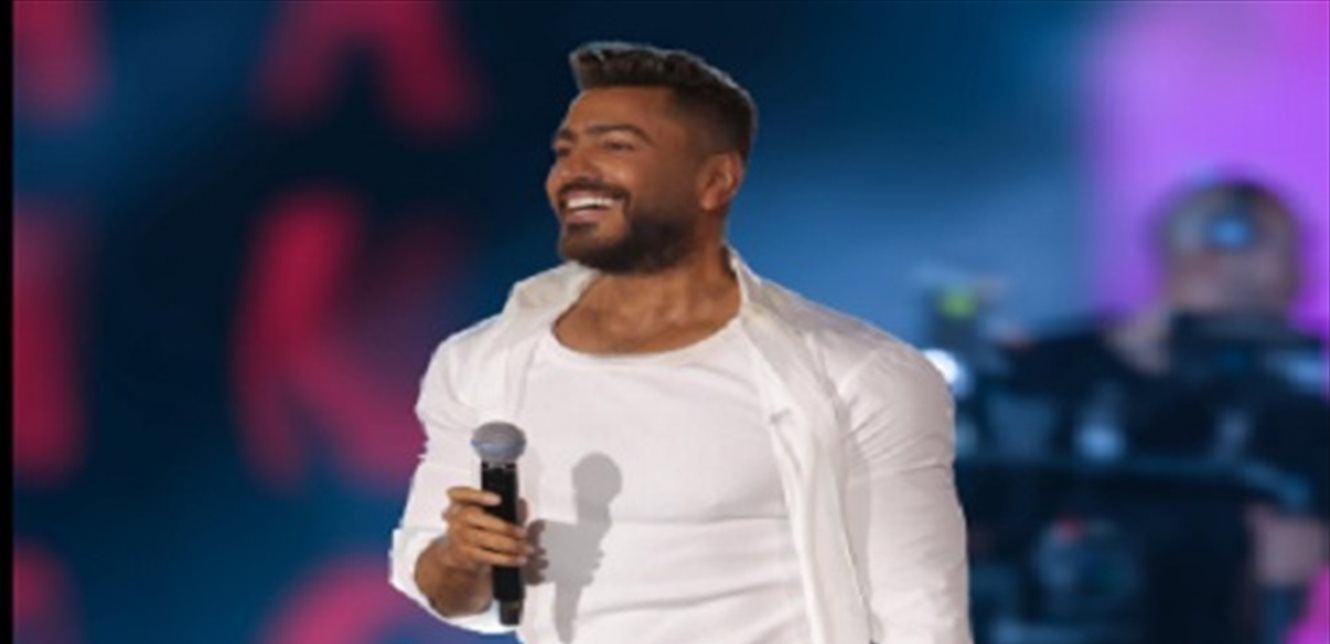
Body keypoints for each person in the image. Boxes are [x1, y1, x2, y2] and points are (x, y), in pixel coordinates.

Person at [388, 42, 971, 643]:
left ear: (716, 180)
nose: (573, 171)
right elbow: (444, 591)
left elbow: (922, 615)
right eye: (564, 151)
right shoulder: (480, 363)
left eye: (616, 146)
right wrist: (460, 558)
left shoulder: (856, 375)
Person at [981, 179, 1329, 643]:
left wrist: (1287, 571)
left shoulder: (1293, 413)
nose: (1302, 281)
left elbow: (1289, 568)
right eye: (1287, 256)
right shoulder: (1040, 373)